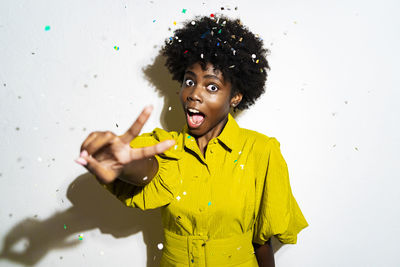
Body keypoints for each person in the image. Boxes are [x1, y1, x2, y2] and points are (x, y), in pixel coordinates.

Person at [75, 14, 308, 267]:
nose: (193, 94)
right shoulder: (167, 146)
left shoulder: (261, 151)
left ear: (236, 97)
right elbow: (147, 168)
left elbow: (262, 241)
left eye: (212, 87)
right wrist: (121, 162)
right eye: (189, 82)